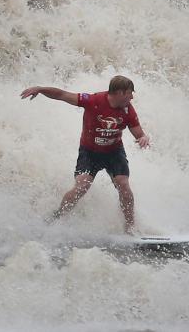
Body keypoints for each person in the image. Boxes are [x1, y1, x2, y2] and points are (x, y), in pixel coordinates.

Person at [20, 75, 150, 233]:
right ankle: (57, 217)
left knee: (123, 184)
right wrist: (40, 89)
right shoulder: (93, 100)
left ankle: (130, 228)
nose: (132, 96)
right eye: (129, 93)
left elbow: (139, 133)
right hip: (90, 153)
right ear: (119, 93)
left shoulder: (128, 109)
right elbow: (62, 95)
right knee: (81, 186)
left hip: (114, 153)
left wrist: (143, 138)